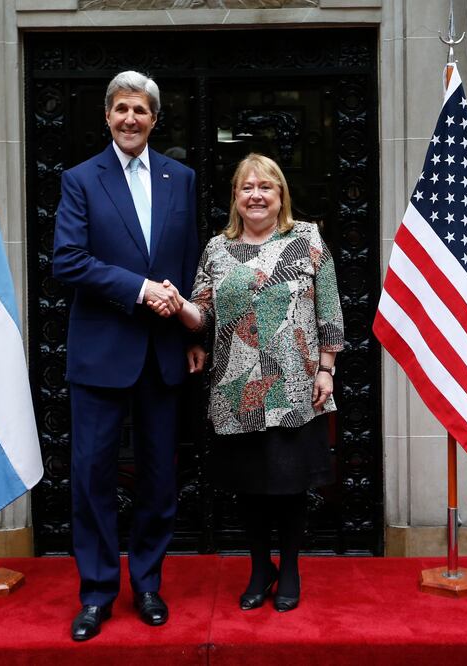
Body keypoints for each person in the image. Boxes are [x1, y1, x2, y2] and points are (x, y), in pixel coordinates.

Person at [149, 153, 344, 612]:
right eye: (246, 188)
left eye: (266, 187)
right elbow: (203, 314)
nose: (256, 195)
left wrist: (326, 368)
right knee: (250, 486)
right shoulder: (216, 250)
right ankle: (261, 568)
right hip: (236, 391)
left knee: (292, 486)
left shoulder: (307, 239)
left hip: (295, 388)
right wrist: (178, 306)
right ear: (235, 198)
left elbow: (330, 311)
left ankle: (290, 568)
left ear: (281, 196)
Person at [52, 70, 199, 641]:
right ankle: (95, 594)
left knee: (160, 476)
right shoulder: (80, 180)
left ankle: (149, 585)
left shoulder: (179, 177)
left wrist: (192, 335)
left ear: (154, 118)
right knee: (91, 475)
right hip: (101, 352)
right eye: (121, 110)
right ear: (107, 116)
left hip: (164, 353)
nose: (130, 119)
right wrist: (139, 289)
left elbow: (187, 263)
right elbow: (67, 261)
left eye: (140, 110)